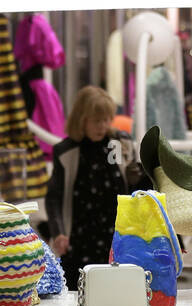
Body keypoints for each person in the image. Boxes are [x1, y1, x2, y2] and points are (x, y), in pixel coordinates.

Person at [44, 86, 149, 290]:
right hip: (80, 236)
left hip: (117, 232)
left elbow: (138, 187)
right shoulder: (66, 151)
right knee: (80, 291)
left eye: (106, 119)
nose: (102, 126)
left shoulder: (121, 143)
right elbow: (54, 197)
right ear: (81, 119)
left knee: (118, 289)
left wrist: (139, 175)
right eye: (96, 120)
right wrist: (58, 233)